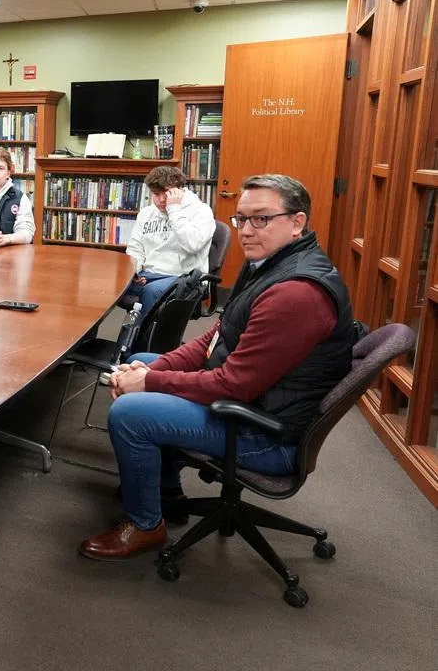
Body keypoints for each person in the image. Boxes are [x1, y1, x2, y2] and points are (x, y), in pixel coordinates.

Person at [79, 174, 360, 560]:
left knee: (130, 413)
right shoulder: (269, 264)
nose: (246, 230)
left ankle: (145, 525)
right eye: (241, 219)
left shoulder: (296, 293)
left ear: (297, 222)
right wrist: (151, 372)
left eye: (261, 219)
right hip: (254, 401)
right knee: (141, 361)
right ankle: (166, 491)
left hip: (265, 433)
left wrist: (150, 383)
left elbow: (233, 385)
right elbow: (215, 336)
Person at [124, 165, 215, 314]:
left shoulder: (201, 211)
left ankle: (141, 329)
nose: (161, 200)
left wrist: (174, 209)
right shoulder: (146, 214)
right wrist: (134, 272)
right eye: (156, 194)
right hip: (148, 275)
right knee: (111, 285)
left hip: (183, 277)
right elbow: (135, 249)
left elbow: (192, 244)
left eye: (166, 194)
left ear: (179, 191)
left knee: (151, 292)